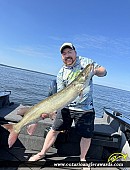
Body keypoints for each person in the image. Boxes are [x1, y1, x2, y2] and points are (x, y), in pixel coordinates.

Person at [28, 42, 107, 169]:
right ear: (62, 57)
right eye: (64, 54)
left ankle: (82, 159)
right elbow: (59, 95)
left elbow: (104, 72)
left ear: (75, 52)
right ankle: (42, 153)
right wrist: (50, 111)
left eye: (69, 52)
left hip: (85, 108)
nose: (67, 55)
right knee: (54, 130)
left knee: (86, 135)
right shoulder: (61, 73)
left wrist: (95, 71)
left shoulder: (86, 62)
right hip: (66, 107)